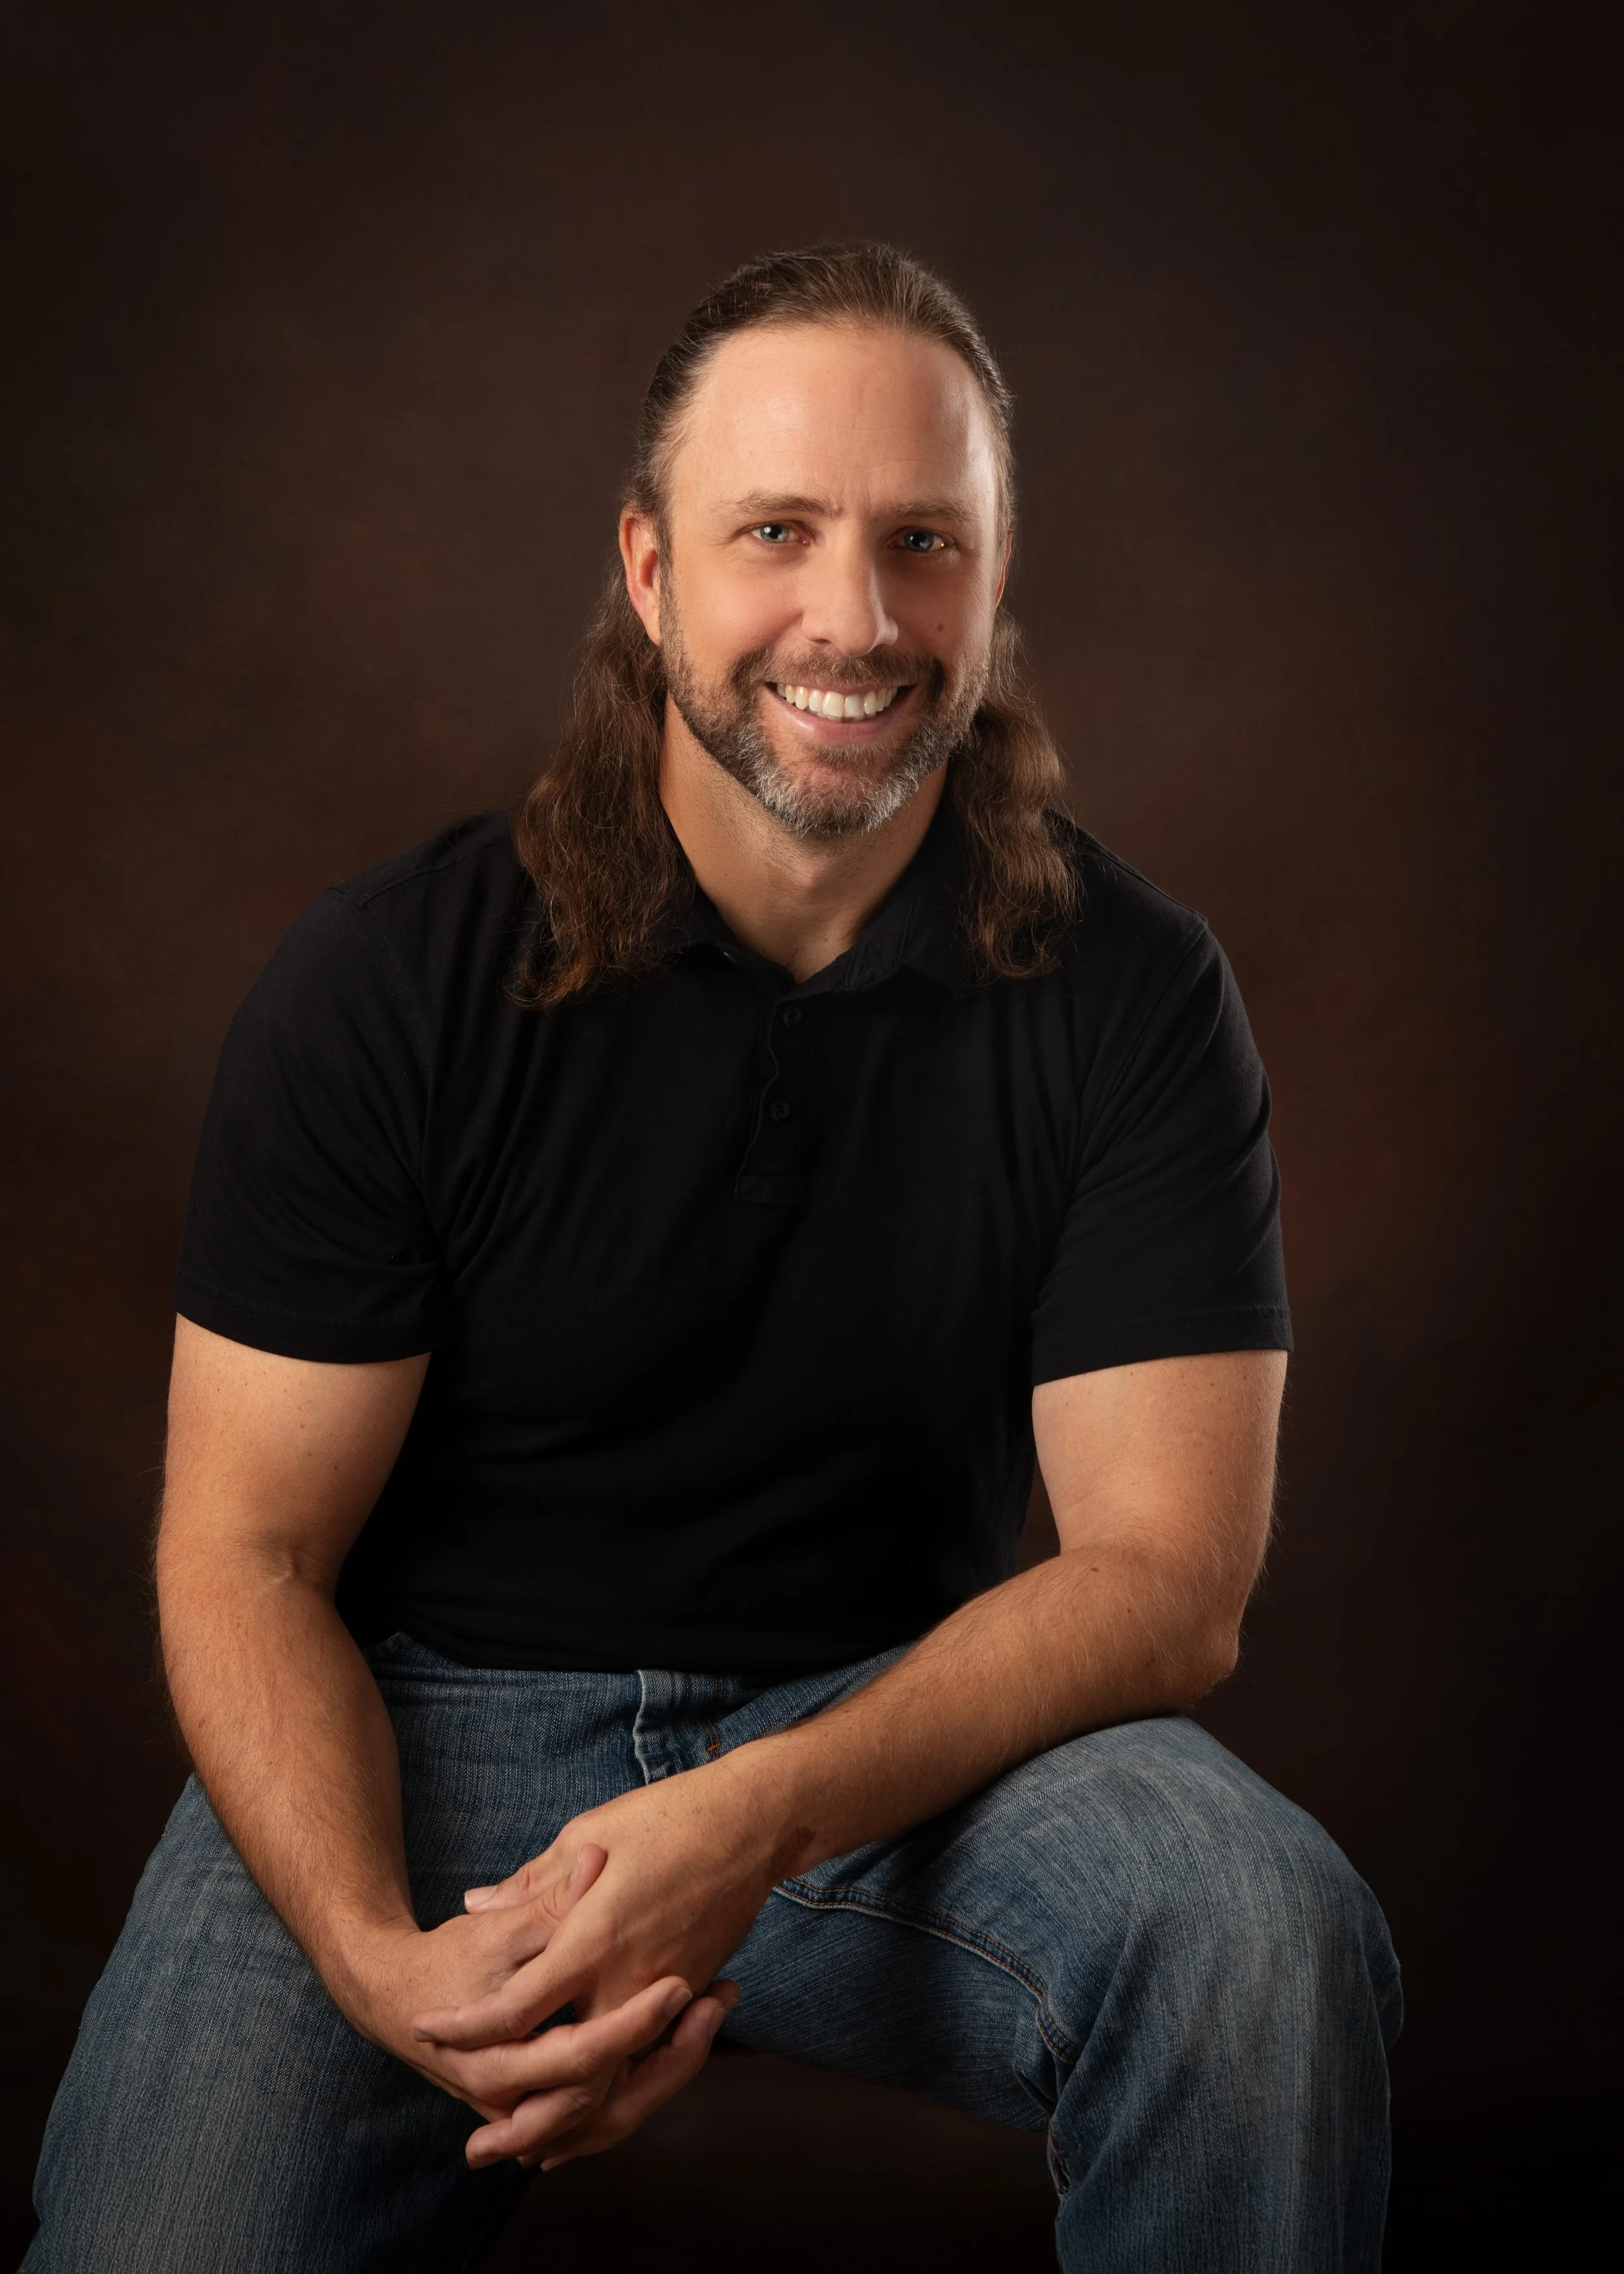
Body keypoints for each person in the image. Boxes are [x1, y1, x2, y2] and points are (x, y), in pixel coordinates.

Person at [24, 242, 1399, 2273]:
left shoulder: (1134, 987)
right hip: (421, 1741)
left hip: (896, 1744)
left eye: (923, 541)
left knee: (1261, 1930)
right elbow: (248, 1550)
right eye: (778, 532)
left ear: (992, 581)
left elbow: (1164, 1581)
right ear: (650, 571)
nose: (857, 618)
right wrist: (382, 1961)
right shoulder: (388, 977)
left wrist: (753, 1812)